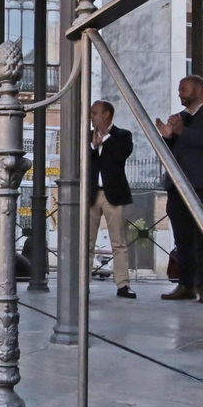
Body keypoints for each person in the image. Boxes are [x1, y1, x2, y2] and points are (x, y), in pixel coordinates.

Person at [155, 75, 203, 303]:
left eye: (183, 89)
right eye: (179, 89)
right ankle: (185, 284)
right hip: (177, 186)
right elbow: (175, 151)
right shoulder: (180, 119)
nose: (180, 93)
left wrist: (180, 132)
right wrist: (167, 137)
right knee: (182, 237)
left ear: (198, 90)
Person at [88, 100, 138, 299]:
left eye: (94, 113)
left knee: (118, 242)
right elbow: (81, 159)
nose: (91, 117)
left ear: (106, 114)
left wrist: (105, 139)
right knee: (86, 242)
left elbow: (121, 154)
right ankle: (82, 283)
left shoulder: (122, 135)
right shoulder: (86, 136)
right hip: (91, 195)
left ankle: (123, 285)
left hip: (113, 195)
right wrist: (93, 144)